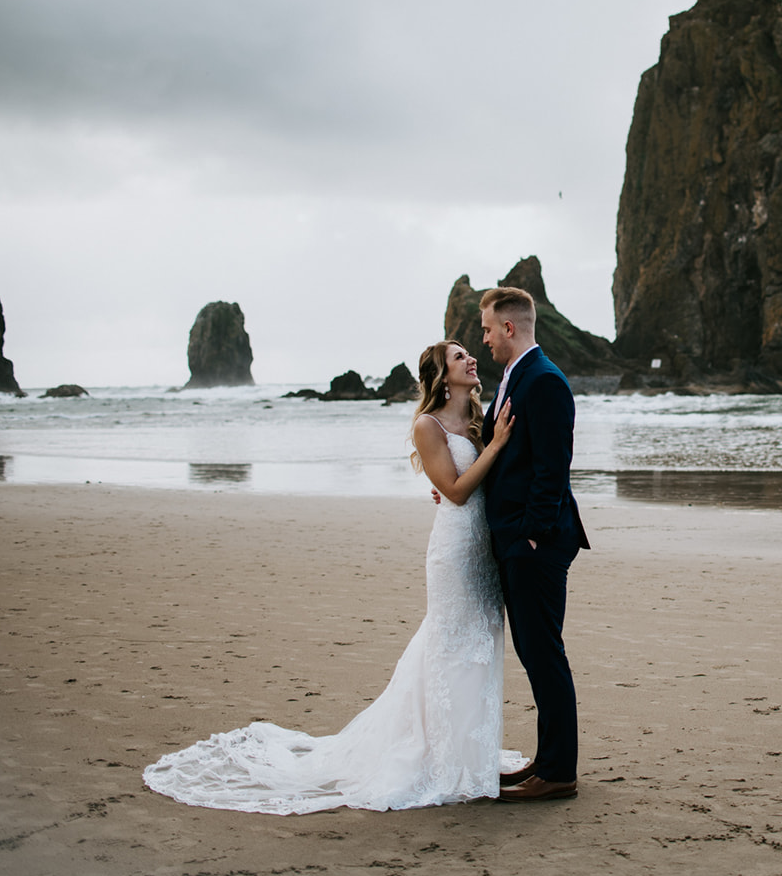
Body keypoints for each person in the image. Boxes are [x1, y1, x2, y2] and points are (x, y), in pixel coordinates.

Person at [141, 340, 524, 813]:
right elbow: (458, 491)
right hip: (454, 549)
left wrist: (493, 447)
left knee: (479, 644)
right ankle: (443, 759)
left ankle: (470, 754)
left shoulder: (476, 421)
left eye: (470, 352)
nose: (470, 358)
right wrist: (495, 448)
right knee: (450, 644)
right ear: (443, 377)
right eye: (458, 356)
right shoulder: (427, 425)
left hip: (482, 551)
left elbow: (482, 482)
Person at [477, 286, 591, 803]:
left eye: (486, 329)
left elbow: (552, 467)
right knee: (533, 650)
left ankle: (559, 772)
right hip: (519, 539)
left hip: (536, 543)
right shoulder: (514, 377)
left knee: (544, 653)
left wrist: (531, 535)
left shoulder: (544, 381)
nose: (483, 340)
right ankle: (545, 762)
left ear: (509, 328)